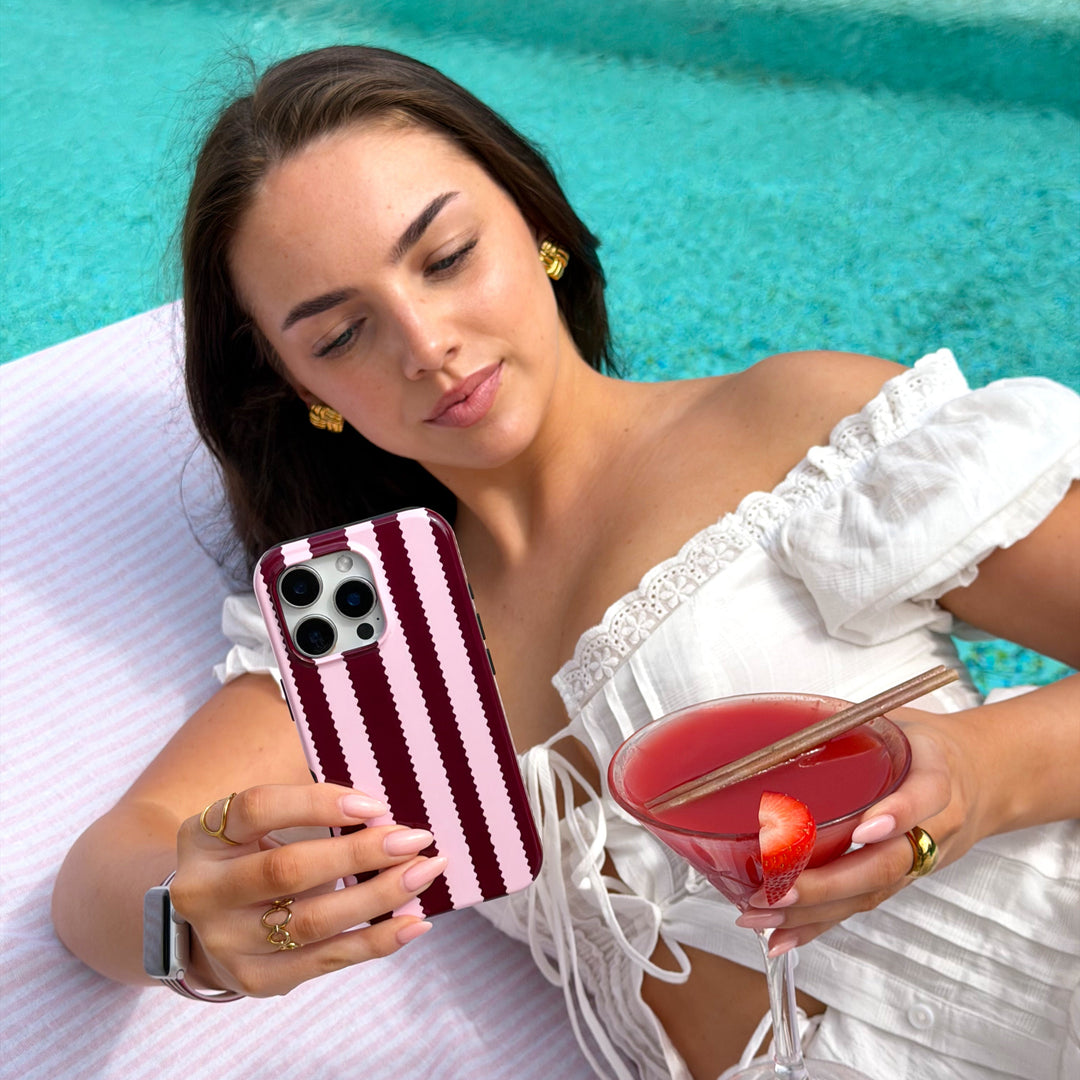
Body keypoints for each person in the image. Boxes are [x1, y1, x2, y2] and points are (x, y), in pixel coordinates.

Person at [52, 45, 1079, 1080]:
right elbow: (107, 875)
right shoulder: (375, 624)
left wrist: (985, 774)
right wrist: (183, 928)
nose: (426, 343)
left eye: (447, 257)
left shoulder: (787, 430)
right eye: (342, 334)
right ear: (301, 390)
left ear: (536, 227)